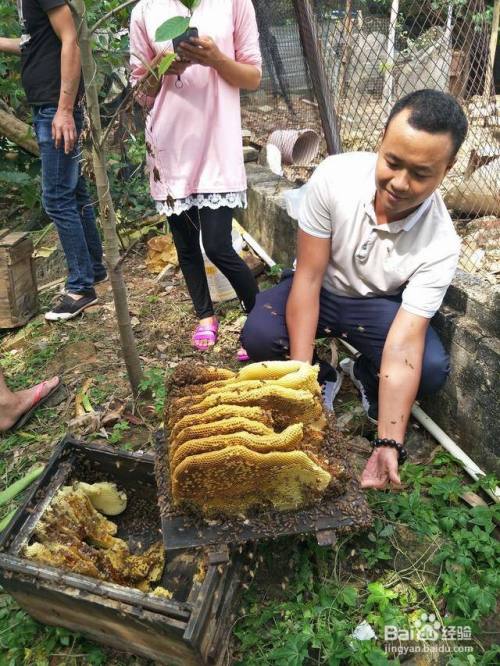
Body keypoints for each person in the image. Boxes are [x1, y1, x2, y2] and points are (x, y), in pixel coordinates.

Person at [241, 90, 468, 491]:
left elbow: (405, 340)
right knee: (260, 335)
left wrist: (388, 441)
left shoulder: (441, 243)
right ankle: (322, 375)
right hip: (322, 288)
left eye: (420, 174)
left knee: (429, 369)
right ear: (381, 141)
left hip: (378, 307)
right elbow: (308, 278)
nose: (399, 183)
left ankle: (364, 372)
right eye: (392, 162)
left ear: (446, 170)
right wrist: (299, 382)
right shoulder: (335, 177)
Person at [129, 0, 261, 357]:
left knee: (217, 245)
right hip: (170, 145)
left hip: (217, 143)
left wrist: (216, 58)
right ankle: (205, 316)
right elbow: (141, 93)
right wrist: (163, 66)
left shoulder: (234, 3)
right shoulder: (145, 10)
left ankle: (259, 317)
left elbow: (252, 76)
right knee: (185, 244)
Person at [0, 0, 106, 321]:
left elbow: (69, 38)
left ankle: (80, 287)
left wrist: (63, 110)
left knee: (56, 197)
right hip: (47, 105)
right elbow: (34, 41)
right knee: (73, 192)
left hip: (54, 106)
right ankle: (94, 268)